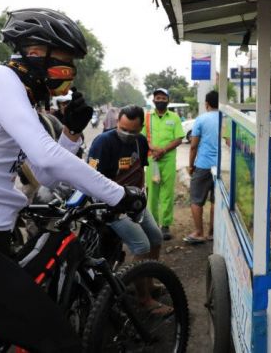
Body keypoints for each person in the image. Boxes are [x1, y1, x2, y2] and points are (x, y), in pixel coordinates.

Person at [0, 8, 140, 353]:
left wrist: (70, 133)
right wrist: (118, 194)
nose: (66, 75)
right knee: (59, 343)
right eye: (63, 64)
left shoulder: (17, 97)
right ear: (35, 53)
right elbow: (45, 157)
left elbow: (41, 173)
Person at [88, 105, 171, 315]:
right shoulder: (102, 143)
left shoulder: (140, 142)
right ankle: (144, 300)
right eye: (122, 128)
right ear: (117, 123)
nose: (127, 134)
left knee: (156, 238)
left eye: (132, 131)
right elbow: (91, 179)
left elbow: (140, 169)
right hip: (112, 206)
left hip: (136, 202)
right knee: (141, 246)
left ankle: (148, 284)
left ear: (141, 128)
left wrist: (142, 195)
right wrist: (111, 206)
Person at [142, 88, 185, 240]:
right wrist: (154, 149)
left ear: (168, 100)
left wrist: (163, 150)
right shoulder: (147, 118)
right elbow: (142, 138)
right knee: (153, 193)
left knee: (167, 193)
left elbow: (179, 138)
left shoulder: (174, 117)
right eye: (157, 98)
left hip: (168, 162)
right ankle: (152, 224)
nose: (160, 100)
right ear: (153, 101)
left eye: (163, 98)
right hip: (153, 162)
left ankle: (165, 225)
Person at [184, 91, 219, 244]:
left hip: (203, 165)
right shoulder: (226, 119)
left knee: (196, 200)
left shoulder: (201, 119)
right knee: (216, 201)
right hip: (219, 167)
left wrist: (191, 166)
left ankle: (199, 232)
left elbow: (193, 146)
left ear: (207, 104)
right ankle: (213, 233)